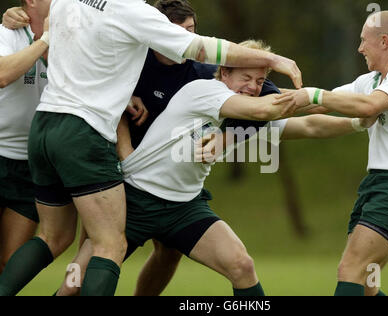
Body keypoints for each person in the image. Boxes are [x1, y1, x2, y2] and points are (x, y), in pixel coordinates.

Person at [0, 0, 302, 297]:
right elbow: (200, 46)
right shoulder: (134, 12)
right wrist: (276, 60)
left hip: (45, 125)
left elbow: (56, 41)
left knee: (53, 236)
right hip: (88, 138)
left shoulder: (68, 2)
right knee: (108, 248)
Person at [274, 11, 388, 296]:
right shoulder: (370, 81)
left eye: (364, 41)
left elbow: (367, 107)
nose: (359, 48)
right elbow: (320, 103)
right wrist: (248, 99)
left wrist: (313, 95)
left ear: (384, 41)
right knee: (366, 284)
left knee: (350, 270)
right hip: (378, 184)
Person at [0, 0, 49, 276]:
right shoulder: (6, 32)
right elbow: (3, 74)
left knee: (10, 263)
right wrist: (43, 41)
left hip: (31, 165)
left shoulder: (68, 37)